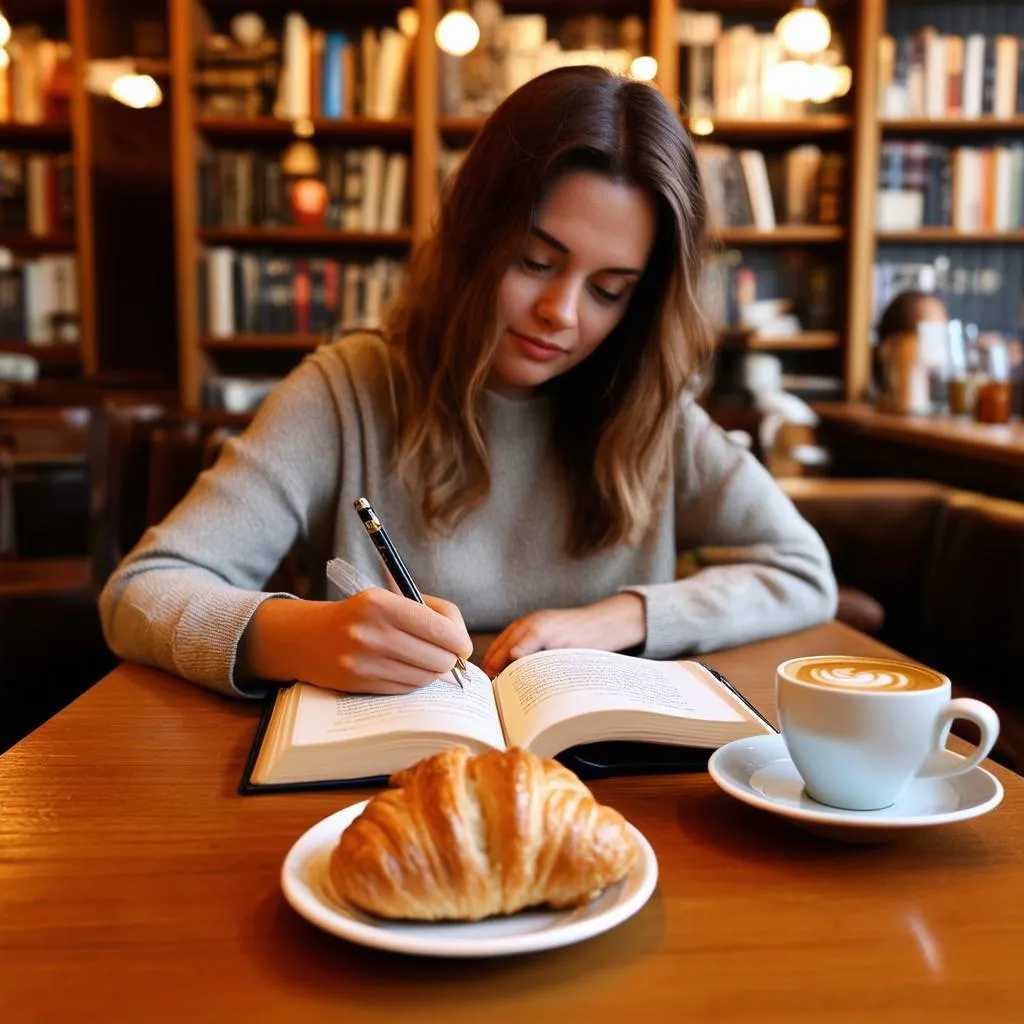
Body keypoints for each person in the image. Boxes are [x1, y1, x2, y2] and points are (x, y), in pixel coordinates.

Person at [100, 66, 837, 700]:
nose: (561, 314)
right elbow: (142, 590)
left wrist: (622, 618)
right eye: (535, 261)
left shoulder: (652, 413)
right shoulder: (349, 392)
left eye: (609, 291)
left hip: (621, 802)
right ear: (471, 234)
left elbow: (802, 571)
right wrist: (298, 636)